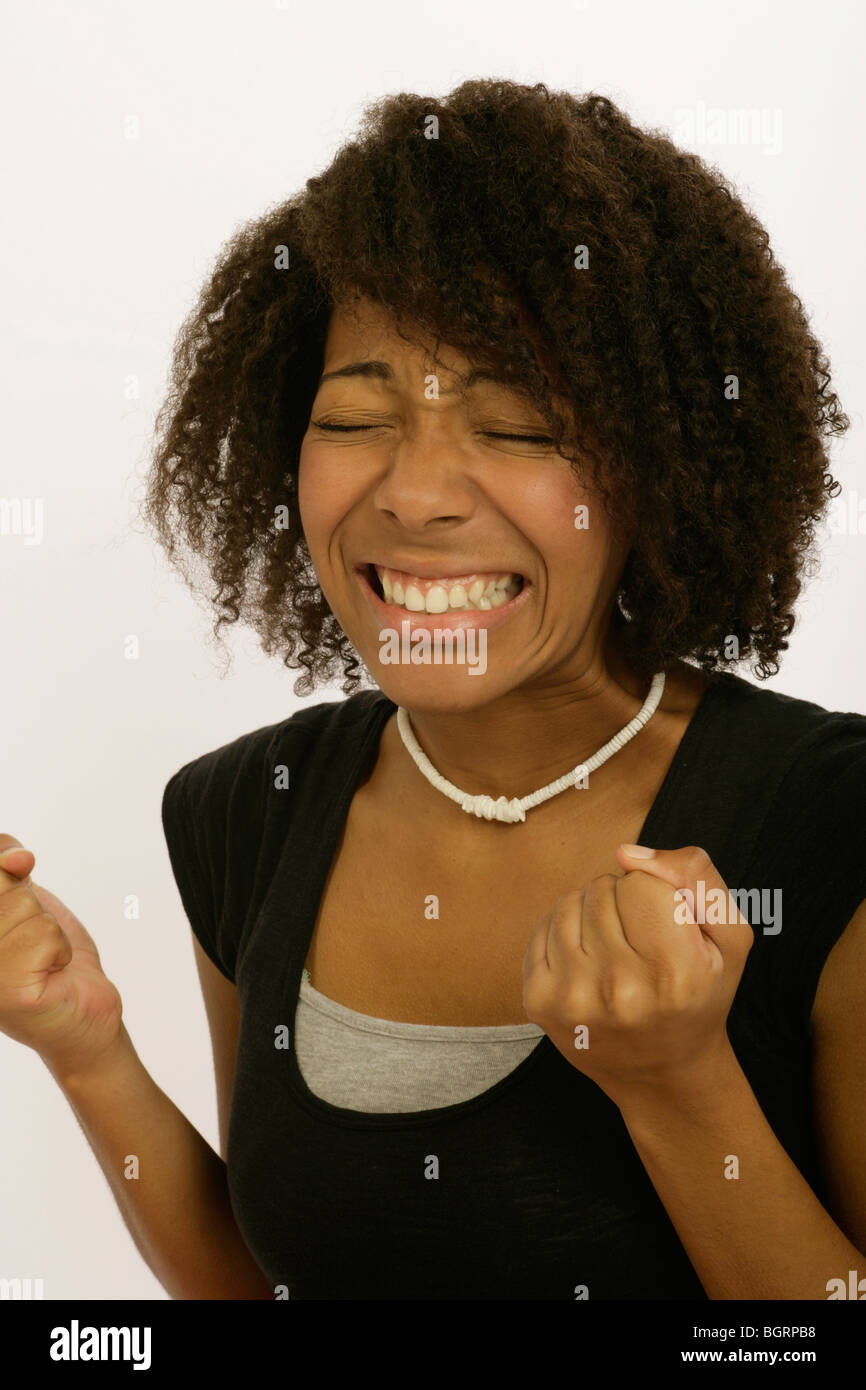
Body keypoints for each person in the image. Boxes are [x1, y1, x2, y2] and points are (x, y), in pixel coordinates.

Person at [2, 79, 864, 1301]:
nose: (414, 494)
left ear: (659, 468)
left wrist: (677, 1084)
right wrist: (83, 1047)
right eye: (356, 415)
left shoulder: (829, 826)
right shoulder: (248, 810)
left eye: (514, 426)